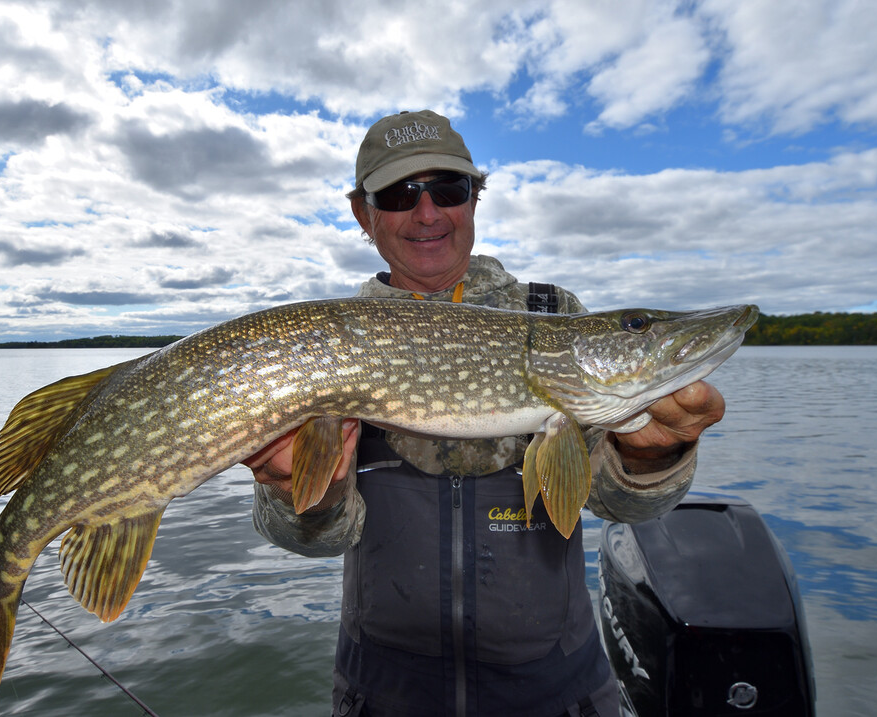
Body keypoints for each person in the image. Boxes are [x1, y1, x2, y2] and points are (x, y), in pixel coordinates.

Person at [244, 110, 726, 716]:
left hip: (557, 687)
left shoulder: (555, 317)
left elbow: (621, 506)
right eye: (398, 194)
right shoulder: (328, 345)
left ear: (475, 200)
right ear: (363, 215)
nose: (427, 212)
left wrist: (650, 455)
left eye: (449, 189)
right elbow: (309, 539)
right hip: (385, 692)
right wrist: (301, 493)